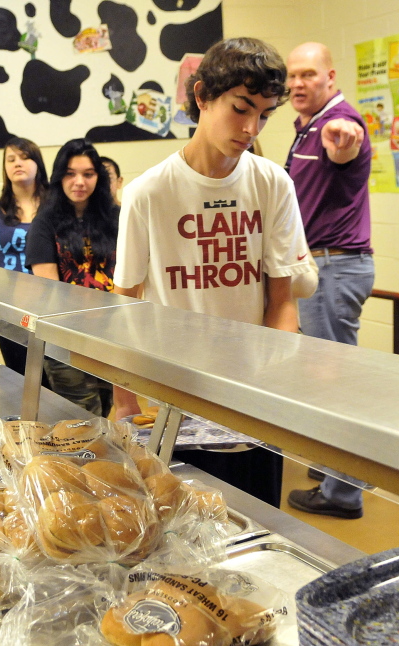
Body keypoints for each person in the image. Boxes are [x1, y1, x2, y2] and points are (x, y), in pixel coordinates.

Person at [112, 37, 311, 508]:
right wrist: (124, 402)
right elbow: (122, 305)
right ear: (202, 96)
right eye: (240, 109)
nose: (250, 126)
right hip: (173, 400)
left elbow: (281, 299)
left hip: (250, 399)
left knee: (258, 530)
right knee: (182, 545)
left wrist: (278, 394)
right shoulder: (148, 192)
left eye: (263, 115)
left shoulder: (272, 183)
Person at [284, 42, 374, 520]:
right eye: (292, 76)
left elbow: (350, 141)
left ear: (331, 78)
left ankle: (344, 495)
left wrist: (347, 137)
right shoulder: (307, 128)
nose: (297, 83)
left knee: (338, 385)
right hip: (324, 267)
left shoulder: (337, 124)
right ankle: (336, 467)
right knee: (328, 381)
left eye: (308, 75)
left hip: (335, 267)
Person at [26, 138, 119, 416]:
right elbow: (49, 290)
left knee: (107, 411)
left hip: (114, 337)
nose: (79, 181)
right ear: (59, 178)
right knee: (84, 418)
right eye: (71, 173)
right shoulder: (44, 222)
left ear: (97, 178)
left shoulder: (115, 217)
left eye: (88, 174)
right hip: (68, 339)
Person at [0, 137, 49, 376]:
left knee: (60, 386)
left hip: (52, 311)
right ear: (5, 169)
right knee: (21, 382)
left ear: (38, 163)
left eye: (25, 157)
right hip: (10, 315)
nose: (18, 163)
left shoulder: (56, 208)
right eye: (11, 159)